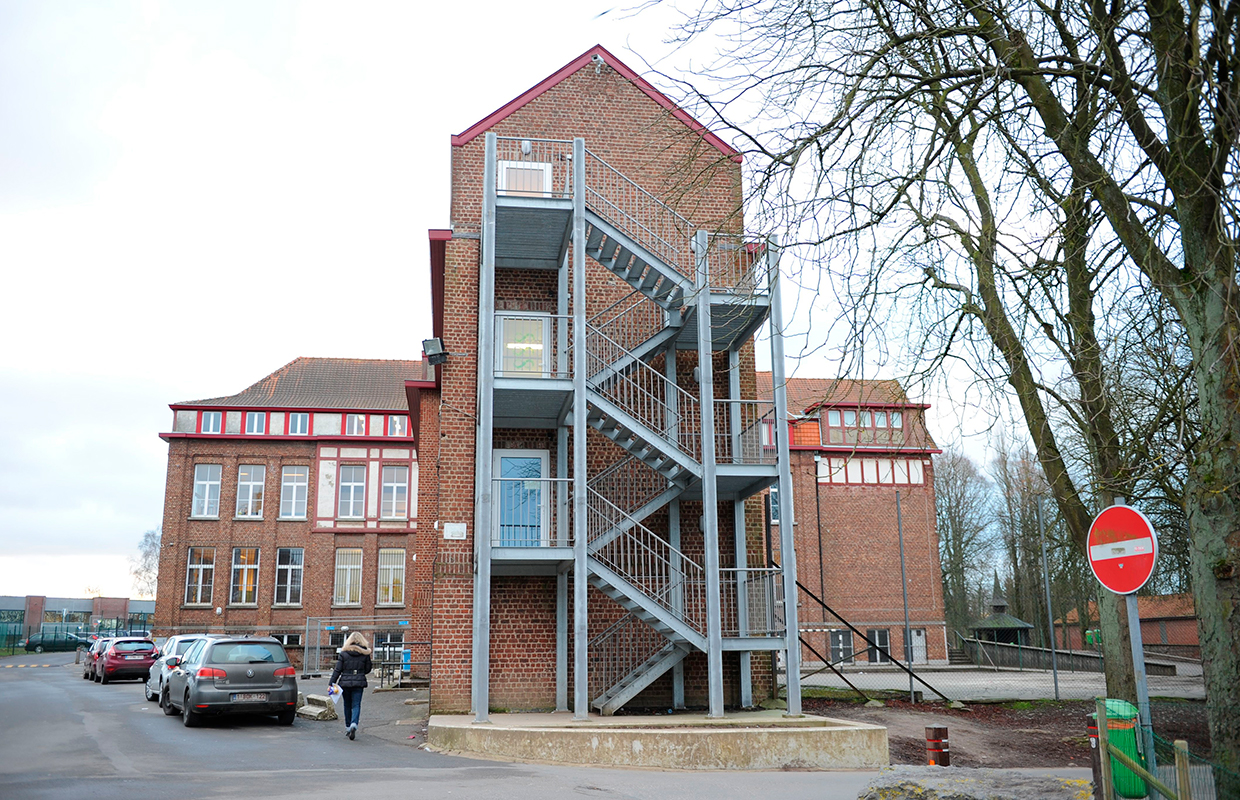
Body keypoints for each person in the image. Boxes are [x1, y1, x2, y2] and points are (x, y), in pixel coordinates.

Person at [329, 631, 372, 740]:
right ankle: (354, 723)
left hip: (345, 682)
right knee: (356, 704)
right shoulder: (365, 653)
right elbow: (368, 669)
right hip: (359, 681)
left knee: (347, 705)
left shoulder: (343, 653)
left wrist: (331, 683)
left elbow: (338, 670)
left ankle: (348, 727)